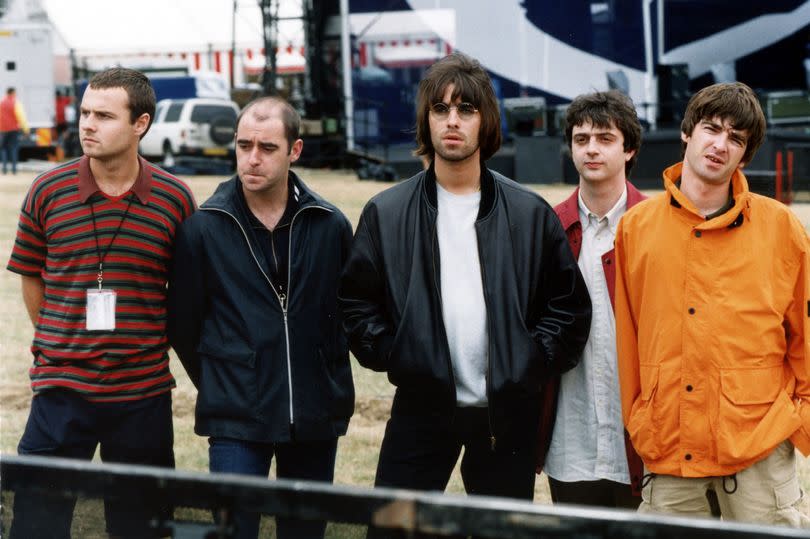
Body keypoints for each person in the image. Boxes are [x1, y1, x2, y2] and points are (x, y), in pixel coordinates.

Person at [339, 51, 591, 511]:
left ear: (485, 121)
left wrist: (529, 361)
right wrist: (398, 354)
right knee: (394, 527)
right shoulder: (387, 212)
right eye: (441, 109)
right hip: (420, 407)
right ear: (427, 119)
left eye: (466, 109)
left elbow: (569, 308)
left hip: (506, 414)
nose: (452, 121)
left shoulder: (529, 213)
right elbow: (356, 305)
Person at [6, 67, 196, 538]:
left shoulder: (175, 200)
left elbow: (184, 294)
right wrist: (60, 337)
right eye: (85, 112)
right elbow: (31, 275)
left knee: (143, 528)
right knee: (36, 524)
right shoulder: (47, 191)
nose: (87, 124)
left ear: (141, 124)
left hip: (142, 394)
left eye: (104, 116)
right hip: (61, 389)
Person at [615, 82, 810, 526]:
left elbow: (805, 334)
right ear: (687, 132)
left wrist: (801, 421)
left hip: (760, 444)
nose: (720, 145)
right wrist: (640, 420)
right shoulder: (637, 228)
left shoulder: (783, 229)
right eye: (712, 128)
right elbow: (628, 339)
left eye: (736, 138)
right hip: (668, 443)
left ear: (745, 154)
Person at [168, 96, 354, 539]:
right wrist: (227, 374)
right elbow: (183, 323)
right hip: (236, 416)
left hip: (313, 414)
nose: (252, 159)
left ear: (295, 150)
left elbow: (348, 312)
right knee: (234, 532)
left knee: (304, 532)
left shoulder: (329, 224)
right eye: (243, 145)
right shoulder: (203, 228)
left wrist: (323, 372)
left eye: (267, 148)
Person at [537, 90, 645, 508]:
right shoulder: (548, 227)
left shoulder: (656, 226)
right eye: (581, 139)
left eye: (605, 138)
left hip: (639, 441)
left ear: (629, 148)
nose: (592, 149)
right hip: (572, 439)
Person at [0, 87, 30, 174]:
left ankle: (4, 169)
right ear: (12, 93)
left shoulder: (1, 103)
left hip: (2, 130)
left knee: (3, 149)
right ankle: (14, 170)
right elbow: (21, 117)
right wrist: (26, 130)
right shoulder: (16, 103)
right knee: (13, 148)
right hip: (13, 129)